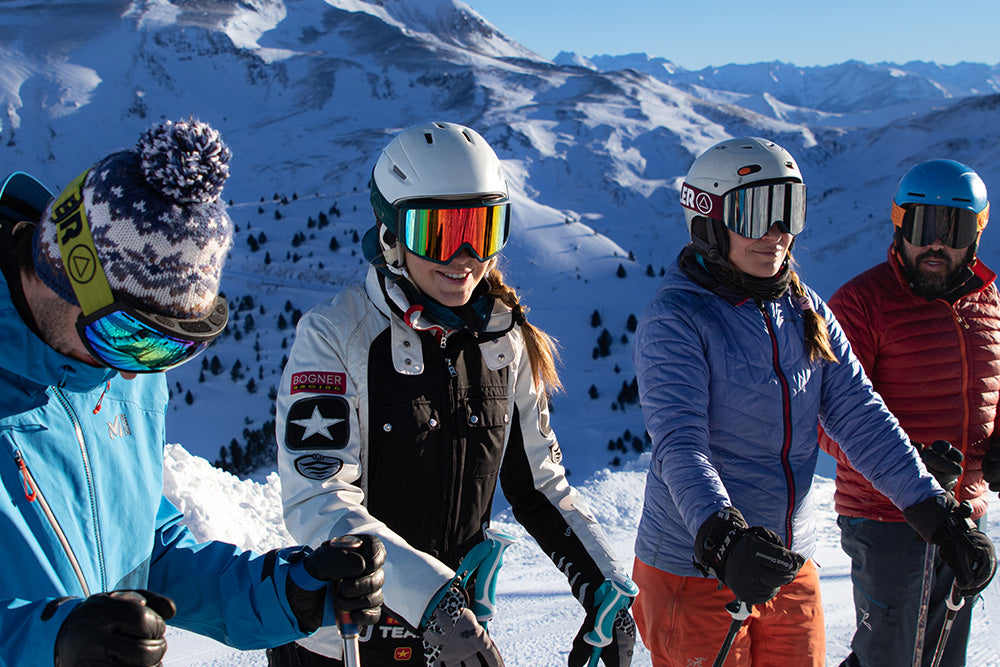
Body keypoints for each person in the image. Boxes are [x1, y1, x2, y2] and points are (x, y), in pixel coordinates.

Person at [0, 119, 385, 667]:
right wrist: (49, 644)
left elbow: (147, 551)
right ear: (65, 268)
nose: (136, 374)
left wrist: (287, 593)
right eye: (130, 337)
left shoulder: (115, 374)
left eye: (168, 350)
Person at [271, 121, 637, 667]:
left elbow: (538, 483)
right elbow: (319, 501)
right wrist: (433, 602)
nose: (464, 254)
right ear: (391, 234)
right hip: (342, 641)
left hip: (455, 637)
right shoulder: (335, 336)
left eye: (482, 229)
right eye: (439, 232)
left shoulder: (503, 342)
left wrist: (601, 582)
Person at [631, 137, 996, 667]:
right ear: (707, 219)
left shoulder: (804, 310)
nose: (777, 233)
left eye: (789, 212)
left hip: (785, 562)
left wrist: (935, 512)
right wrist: (721, 536)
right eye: (757, 212)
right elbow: (680, 446)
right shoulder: (678, 320)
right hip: (695, 566)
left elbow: (860, 415)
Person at [818, 159, 1000, 667]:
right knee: (888, 657)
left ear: (977, 234)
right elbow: (826, 417)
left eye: (954, 228)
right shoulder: (861, 304)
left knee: (944, 655)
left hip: (964, 514)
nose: (936, 245)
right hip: (888, 519)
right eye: (923, 226)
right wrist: (908, 463)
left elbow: (994, 389)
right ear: (900, 225)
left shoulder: (988, 302)